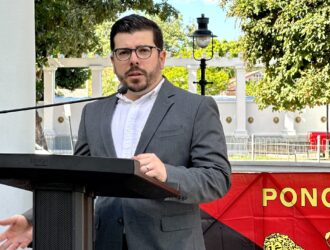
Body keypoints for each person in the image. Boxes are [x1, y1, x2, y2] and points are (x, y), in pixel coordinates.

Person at [0, 14, 231, 250]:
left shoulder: (196, 108)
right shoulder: (93, 113)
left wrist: (166, 173)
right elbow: (76, 178)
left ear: (161, 57)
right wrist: (34, 219)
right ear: (113, 60)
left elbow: (217, 178)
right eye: (123, 52)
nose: (134, 60)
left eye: (143, 50)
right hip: (104, 241)